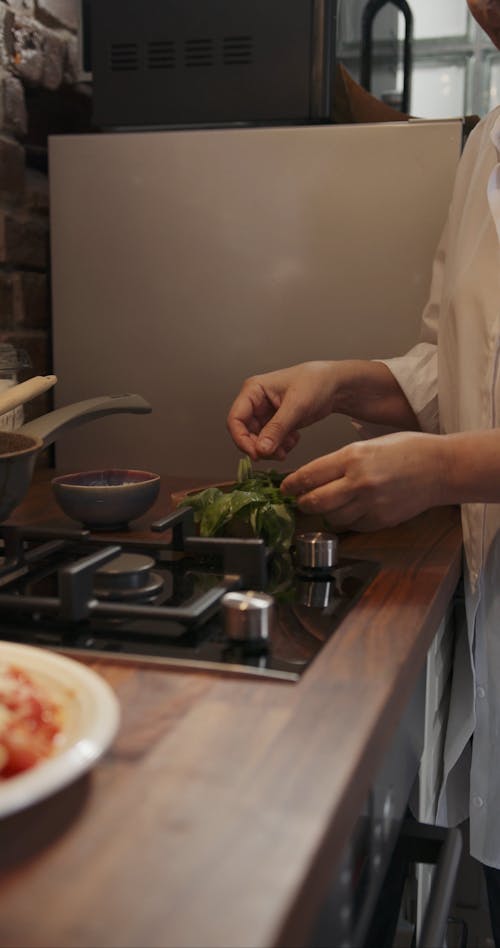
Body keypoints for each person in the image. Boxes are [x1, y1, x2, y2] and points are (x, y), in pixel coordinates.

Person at [227, 1, 500, 944]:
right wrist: (340, 381)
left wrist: (439, 473)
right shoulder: (489, 140)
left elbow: (461, 434)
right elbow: (455, 365)